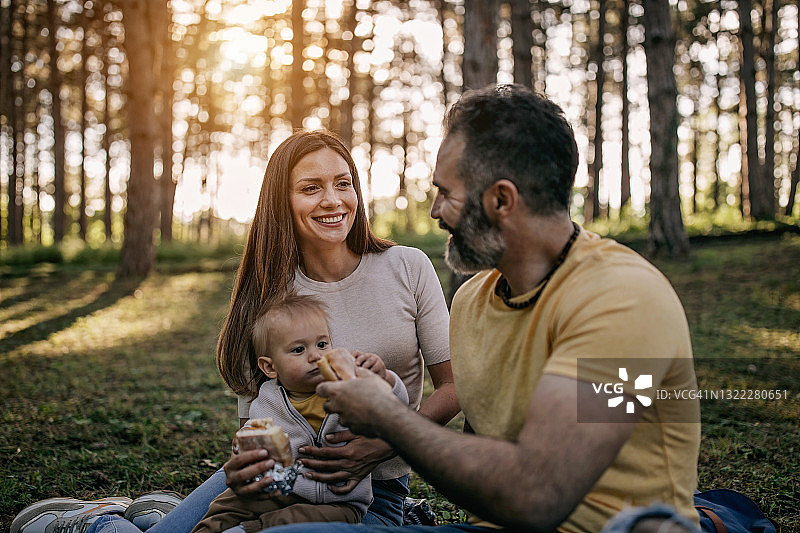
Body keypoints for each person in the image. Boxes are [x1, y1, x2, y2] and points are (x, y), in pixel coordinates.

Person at [252, 84, 701, 533]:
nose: (433, 211)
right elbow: (478, 463)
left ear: (501, 200)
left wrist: (388, 419)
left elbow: (539, 495)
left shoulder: (624, 298)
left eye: (446, 193)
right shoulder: (472, 300)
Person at [11, 130, 460, 533]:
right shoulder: (270, 290)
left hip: (368, 495)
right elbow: (254, 424)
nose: (332, 200)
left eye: (343, 183)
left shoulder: (408, 267)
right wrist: (250, 463)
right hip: (272, 484)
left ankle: (151, 515)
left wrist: (384, 443)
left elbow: (454, 386)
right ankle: (99, 524)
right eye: (310, 188)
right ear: (281, 201)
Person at [192, 293, 409, 533]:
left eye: (322, 344)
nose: (316, 355)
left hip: (338, 502)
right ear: (270, 367)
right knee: (227, 502)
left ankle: (250, 530)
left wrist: (385, 379)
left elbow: (397, 407)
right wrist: (244, 446)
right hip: (280, 489)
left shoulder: (347, 387)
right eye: (298, 349)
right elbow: (255, 431)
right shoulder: (268, 398)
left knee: (295, 519)